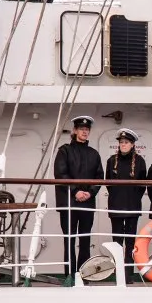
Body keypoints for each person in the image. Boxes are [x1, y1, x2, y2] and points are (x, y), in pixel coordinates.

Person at [54, 115, 104, 282]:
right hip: (69, 202)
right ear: (75, 131)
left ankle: (84, 276)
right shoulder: (64, 151)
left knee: (85, 240)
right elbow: (61, 174)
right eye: (81, 129)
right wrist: (75, 191)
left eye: (87, 129)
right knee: (69, 239)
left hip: (87, 203)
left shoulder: (94, 154)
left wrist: (90, 192)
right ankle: (70, 276)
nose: (84, 132)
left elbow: (99, 176)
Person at [105, 128, 146, 283]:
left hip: (132, 206)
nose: (123, 144)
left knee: (130, 241)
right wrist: (117, 196)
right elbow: (108, 182)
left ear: (132, 144)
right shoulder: (111, 161)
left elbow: (142, 184)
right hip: (115, 205)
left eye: (126, 142)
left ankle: (128, 274)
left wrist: (133, 197)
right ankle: (118, 273)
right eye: (121, 142)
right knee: (117, 240)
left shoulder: (140, 161)